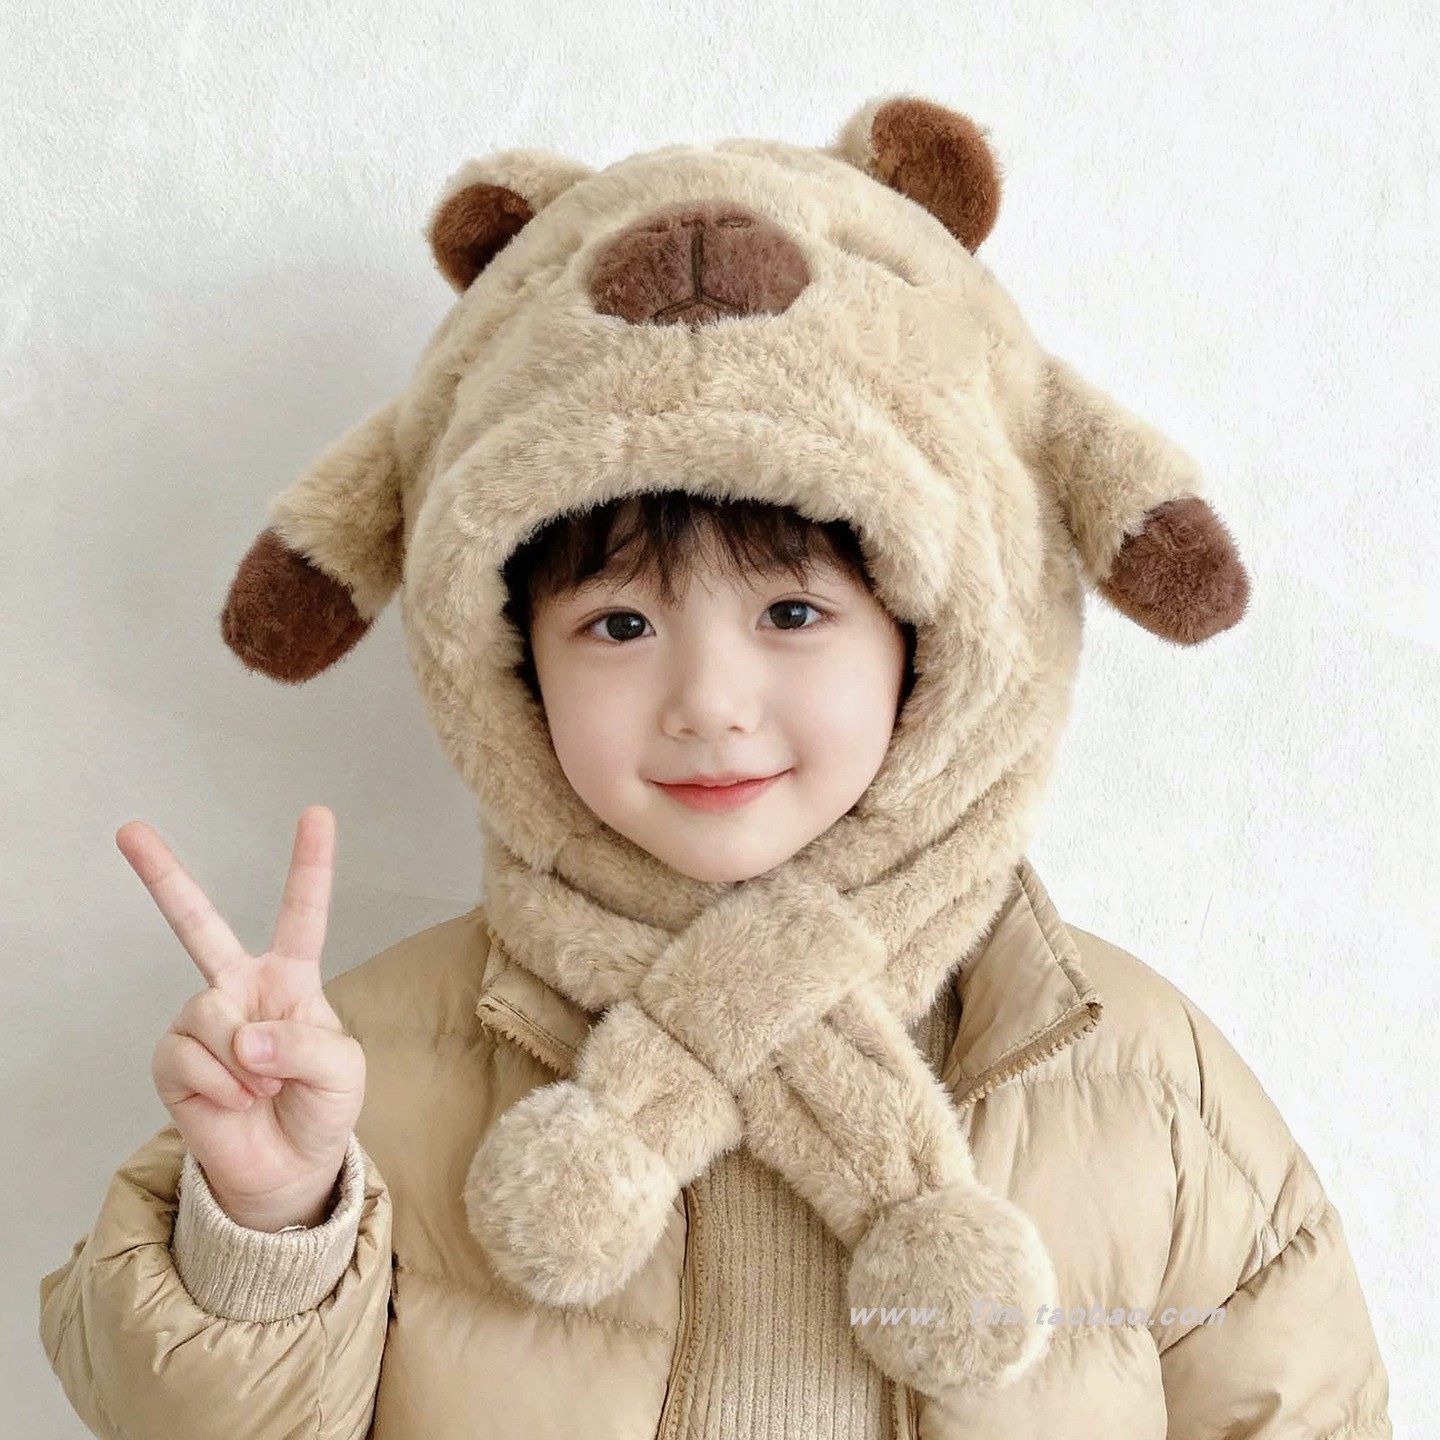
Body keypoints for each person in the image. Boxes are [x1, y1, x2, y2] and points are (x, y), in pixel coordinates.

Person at [38, 95, 1393, 1439]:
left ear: (938, 642)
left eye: (792, 613)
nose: (707, 705)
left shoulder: (1137, 1076)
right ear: (506, 668)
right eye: (620, 626)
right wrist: (272, 1217)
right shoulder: (362, 1069)